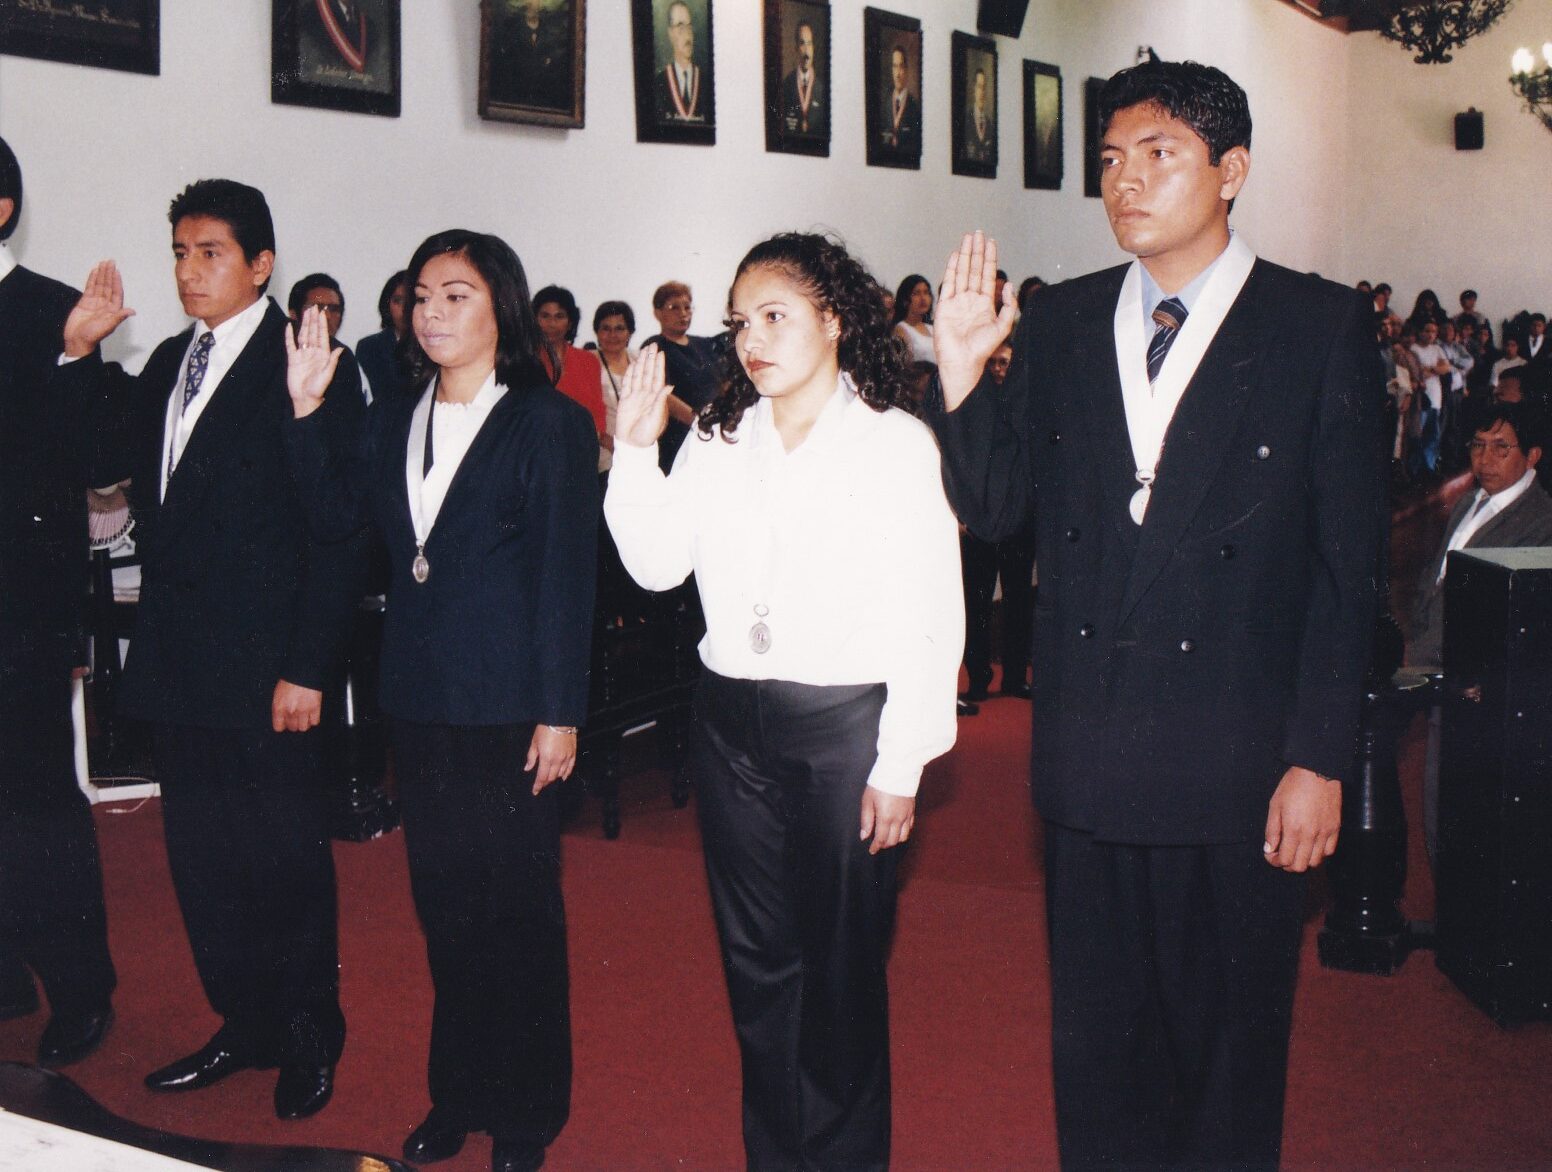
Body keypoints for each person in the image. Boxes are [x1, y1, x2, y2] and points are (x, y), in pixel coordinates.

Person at [929, 59, 1385, 1170]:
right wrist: (960, 374)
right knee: (1099, 1055)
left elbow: (1347, 571)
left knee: (1226, 1056)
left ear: (1231, 170)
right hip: (1090, 753)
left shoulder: (1316, 325)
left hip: (1238, 757)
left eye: (1158, 154)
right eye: (1109, 160)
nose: (1124, 181)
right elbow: (996, 511)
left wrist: (1320, 757)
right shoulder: (1064, 320)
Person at [605, 232, 962, 1171]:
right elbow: (656, 567)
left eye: (774, 316)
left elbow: (932, 613)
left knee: (841, 968)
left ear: (834, 321)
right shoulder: (721, 437)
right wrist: (635, 453)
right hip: (730, 723)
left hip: (845, 729)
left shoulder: (894, 443)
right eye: (740, 323)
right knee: (757, 966)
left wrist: (902, 761)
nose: (751, 340)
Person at [286, 229, 598, 1172]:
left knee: (518, 912)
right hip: (420, 699)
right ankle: (458, 1091)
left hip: (512, 706)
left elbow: (566, 576)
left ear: (502, 308)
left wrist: (561, 710)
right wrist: (307, 412)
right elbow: (336, 522)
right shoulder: (392, 415)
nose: (431, 312)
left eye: (456, 295)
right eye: (421, 296)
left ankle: (527, 1112)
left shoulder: (546, 422)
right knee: (446, 906)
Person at [56, 178, 365, 1121]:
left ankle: (308, 1034)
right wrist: (81, 353)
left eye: (211, 253)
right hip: (182, 660)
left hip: (270, 667)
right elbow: (99, 462)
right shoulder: (170, 361)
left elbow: (338, 532)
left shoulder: (306, 359)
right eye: (180, 253)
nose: (190, 272)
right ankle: (245, 1022)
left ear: (261, 264)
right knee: (204, 861)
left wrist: (309, 666)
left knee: (283, 861)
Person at [0, 133, 118, 1068]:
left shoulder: (54, 313)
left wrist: (77, 357)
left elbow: (86, 462)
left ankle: (82, 992)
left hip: (21, 612)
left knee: (38, 800)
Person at [1408, 402, 1552, 866]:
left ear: (1532, 456)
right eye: (1478, 445)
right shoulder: (1470, 503)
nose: (1485, 459)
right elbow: (1434, 581)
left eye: (1500, 448)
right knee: (1437, 806)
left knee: (1467, 818)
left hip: (1481, 695)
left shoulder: (1541, 522)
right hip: (1440, 674)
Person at [639, 280, 724, 473]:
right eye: (674, 307)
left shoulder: (705, 345)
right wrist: (698, 421)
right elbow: (663, 395)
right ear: (658, 313)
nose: (683, 313)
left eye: (687, 307)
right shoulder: (654, 346)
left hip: (711, 432)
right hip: (678, 438)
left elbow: (722, 383)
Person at [532, 284, 606, 454]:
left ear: (570, 322)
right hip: (537, 449)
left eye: (559, 316)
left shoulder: (588, 361)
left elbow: (597, 412)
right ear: (534, 319)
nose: (552, 324)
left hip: (581, 449)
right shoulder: (525, 360)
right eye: (545, 316)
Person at [355, 269, 410, 403]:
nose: (405, 309)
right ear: (387, 304)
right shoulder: (370, 347)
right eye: (398, 301)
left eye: (412, 301)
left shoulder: (436, 346)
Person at [656, 1, 710, 124]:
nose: (687, 35)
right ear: (670, 33)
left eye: (689, 27)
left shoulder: (706, 82)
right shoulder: (659, 84)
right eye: (681, 27)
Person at [780, 18, 825, 137]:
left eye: (809, 43)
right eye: (802, 43)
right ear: (796, 48)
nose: (806, 51)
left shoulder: (822, 89)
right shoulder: (786, 85)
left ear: (813, 47)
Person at [880, 45, 921, 156]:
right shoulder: (885, 104)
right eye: (895, 66)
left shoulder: (915, 107)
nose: (897, 74)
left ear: (906, 70)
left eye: (901, 67)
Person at [890, 273, 936, 365]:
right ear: (905, 300)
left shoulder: (932, 329)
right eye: (916, 293)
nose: (923, 298)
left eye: (926, 292)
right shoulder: (901, 329)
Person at [964, 67, 996, 163]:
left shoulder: (990, 124)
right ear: (974, 89)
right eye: (979, 87)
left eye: (984, 88)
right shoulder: (966, 120)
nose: (982, 92)